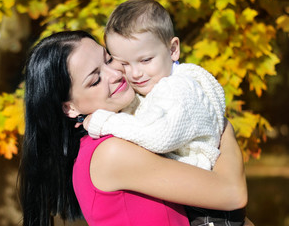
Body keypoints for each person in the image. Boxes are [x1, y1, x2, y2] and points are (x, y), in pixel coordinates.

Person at [18, 30, 248, 226]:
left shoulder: (127, 132)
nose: (116, 74)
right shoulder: (110, 153)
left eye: (108, 60)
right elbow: (231, 193)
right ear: (69, 107)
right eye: (95, 80)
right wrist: (221, 123)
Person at [83, 0, 245, 225]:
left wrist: (105, 121)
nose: (135, 73)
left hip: (207, 207)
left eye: (145, 60)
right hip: (200, 193)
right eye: (124, 64)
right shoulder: (162, 86)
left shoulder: (178, 88)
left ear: (173, 49)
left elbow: (158, 136)